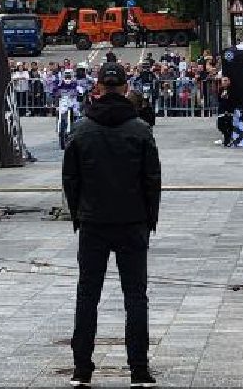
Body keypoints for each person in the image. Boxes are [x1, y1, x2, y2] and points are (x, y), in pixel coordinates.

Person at [62, 66, 162, 387]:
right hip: (132, 221)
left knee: (87, 295)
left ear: (99, 87)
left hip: (93, 222)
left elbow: (70, 180)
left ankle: (81, 369)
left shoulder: (81, 130)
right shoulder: (140, 130)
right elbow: (152, 180)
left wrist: (79, 214)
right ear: (125, 86)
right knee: (135, 296)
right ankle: (139, 370)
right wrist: (149, 219)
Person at [214, 75, 237, 146]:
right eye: (223, 81)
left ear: (229, 82)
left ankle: (227, 141)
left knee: (229, 126)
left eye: (226, 80)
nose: (224, 82)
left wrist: (228, 110)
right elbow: (219, 100)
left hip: (229, 111)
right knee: (220, 125)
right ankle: (227, 138)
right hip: (221, 110)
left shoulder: (232, 90)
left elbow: (233, 101)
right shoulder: (220, 90)